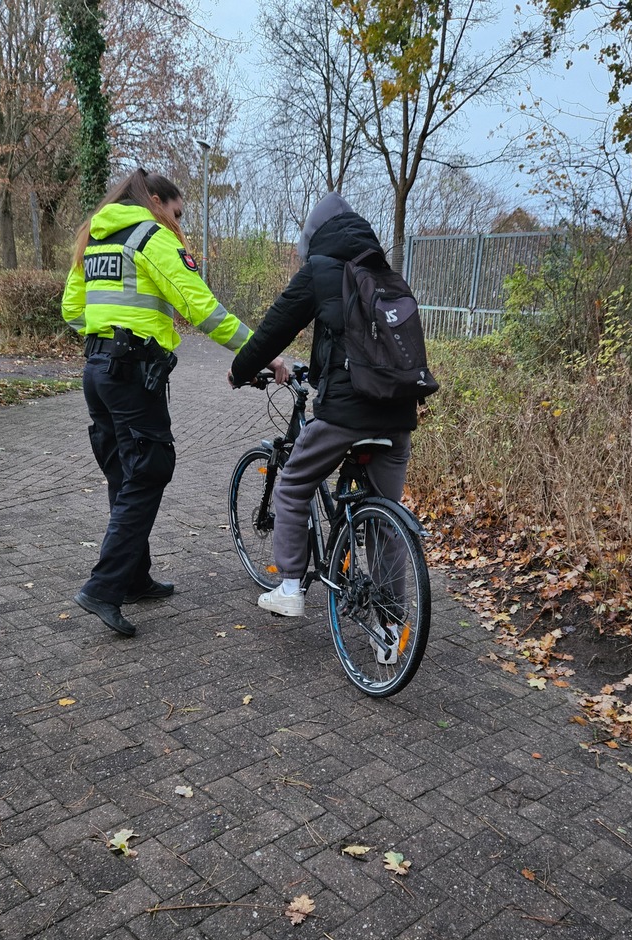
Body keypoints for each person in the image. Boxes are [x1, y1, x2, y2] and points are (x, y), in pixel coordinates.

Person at [62, 167, 287, 636]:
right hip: (131, 377)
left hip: (97, 372)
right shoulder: (151, 237)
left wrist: (107, 337)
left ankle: (133, 578)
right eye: (177, 211)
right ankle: (103, 587)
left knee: (125, 472)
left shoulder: (96, 239)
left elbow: (71, 311)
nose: (177, 221)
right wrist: (260, 353)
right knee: (149, 470)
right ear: (157, 200)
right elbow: (204, 309)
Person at [228, 193, 418, 661]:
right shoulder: (386, 274)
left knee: (292, 482)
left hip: (346, 414)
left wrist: (238, 371)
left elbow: (274, 328)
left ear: (314, 235)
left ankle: (290, 587)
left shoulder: (320, 269)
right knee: (385, 519)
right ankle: (390, 632)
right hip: (397, 417)